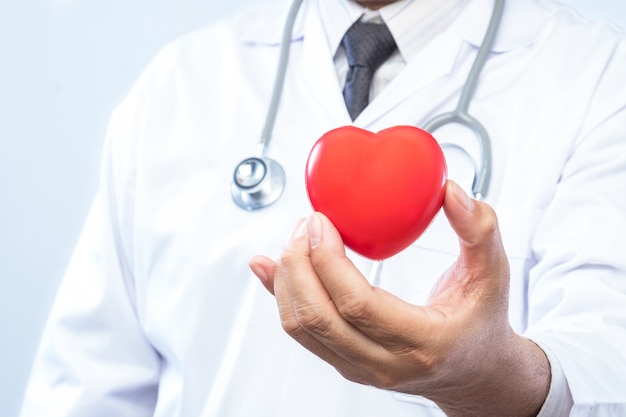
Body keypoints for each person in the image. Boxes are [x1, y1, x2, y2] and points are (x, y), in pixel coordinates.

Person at [20, 0, 626, 416]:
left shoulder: (602, 76)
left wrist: (489, 378)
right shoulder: (179, 82)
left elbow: (605, 366)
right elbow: (84, 389)